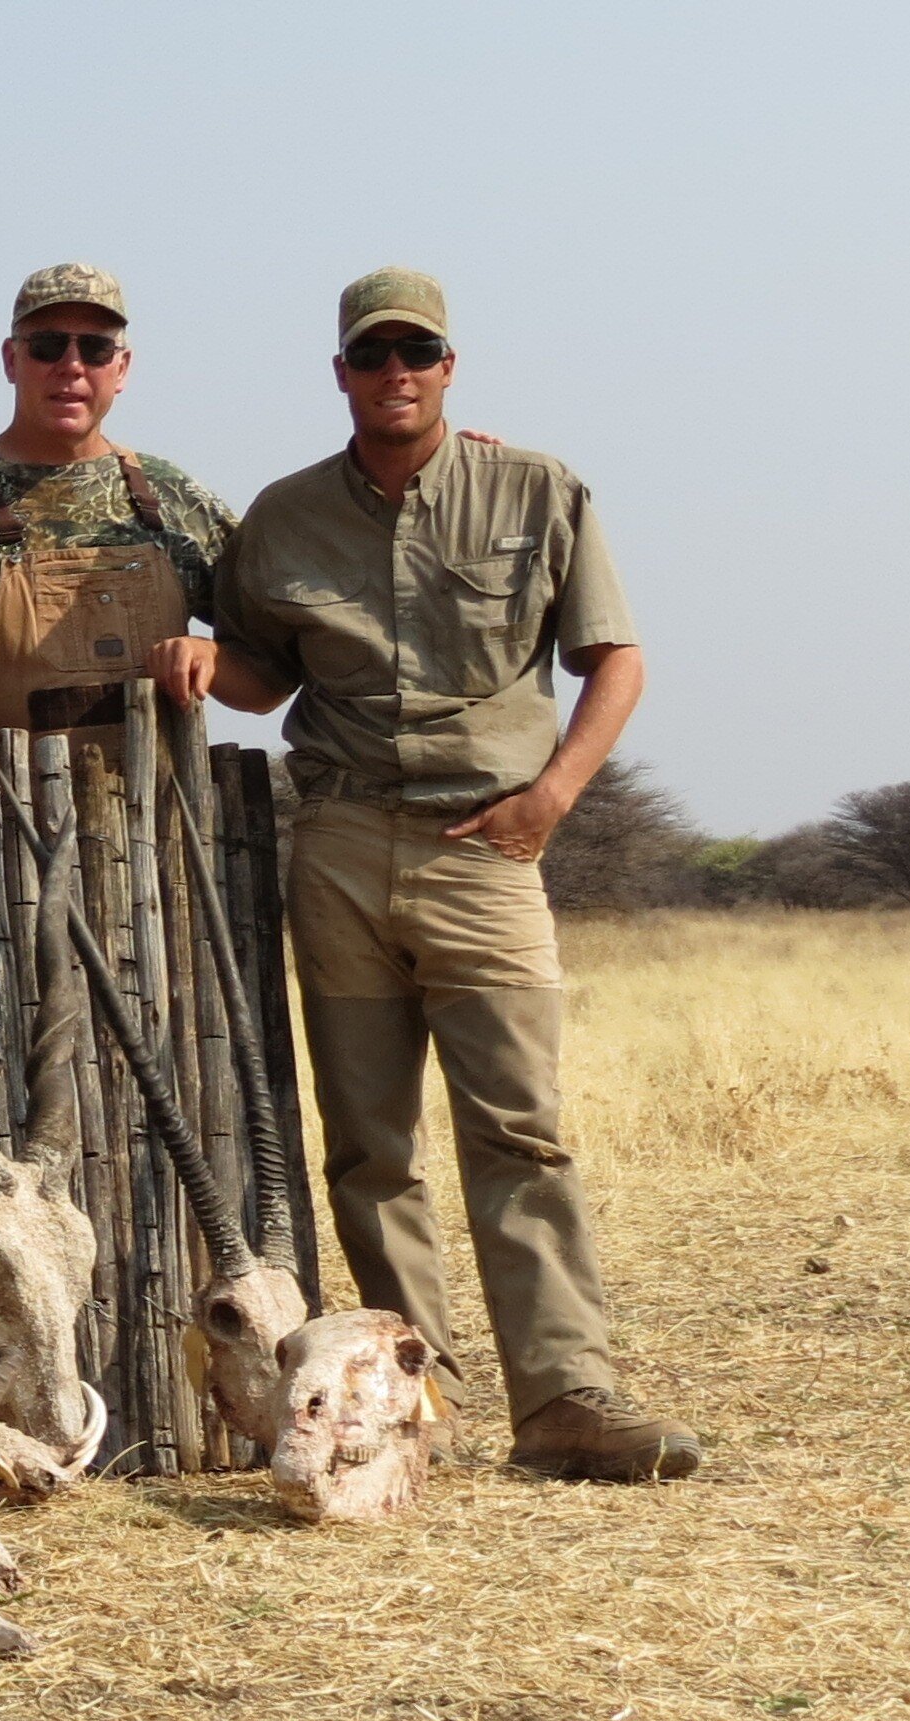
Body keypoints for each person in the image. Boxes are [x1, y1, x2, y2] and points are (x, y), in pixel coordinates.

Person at [153, 268, 698, 1481]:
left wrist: (551, 797)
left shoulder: (536, 489)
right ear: (339, 372)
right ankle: (418, 1412)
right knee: (368, 1146)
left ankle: (566, 1400)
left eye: (416, 352)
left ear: (450, 366)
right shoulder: (283, 517)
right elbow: (260, 676)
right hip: (339, 843)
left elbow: (614, 659)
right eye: (370, 355)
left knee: (521, 1132)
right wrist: (198, 658)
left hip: (484, 852)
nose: (393, 372)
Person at [0, 263, 234, 760]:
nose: (71, 366)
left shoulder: (173, 496)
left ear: (121, 367)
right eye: (47, 345)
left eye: (95, 348)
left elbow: (270, 644)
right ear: (10, 360)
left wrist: (213, 653)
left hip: (156, 823)